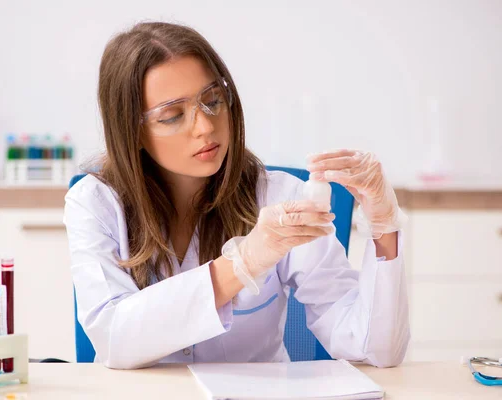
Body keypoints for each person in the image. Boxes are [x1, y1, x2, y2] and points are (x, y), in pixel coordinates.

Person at [63, 21, 409, 370]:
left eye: (213, 100)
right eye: (172, 116)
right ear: (131, 130)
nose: (206, 126)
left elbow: (372, 348)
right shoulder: (94, 204)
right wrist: (242, 263)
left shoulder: (279, 196)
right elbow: (113, 340)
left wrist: (384, 225)